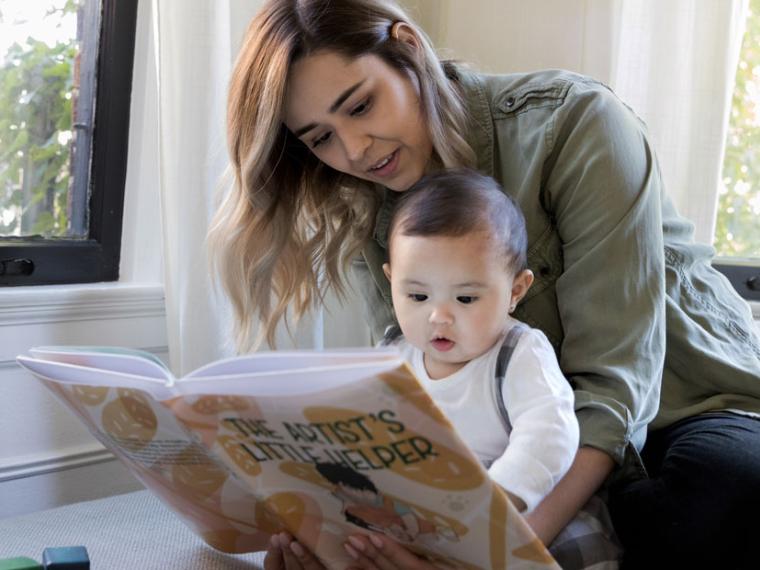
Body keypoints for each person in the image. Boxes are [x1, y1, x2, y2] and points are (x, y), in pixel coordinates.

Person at [208, 0, 760, 568]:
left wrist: (496, 555)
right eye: (320, 138)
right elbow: (417, 399)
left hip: (686, 402)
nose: (354, 150)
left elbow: (616, 388)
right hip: (514, 438)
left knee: (714, 499)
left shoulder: (575, 122)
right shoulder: (369, 203)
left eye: (361, 105)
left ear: (408, 48)